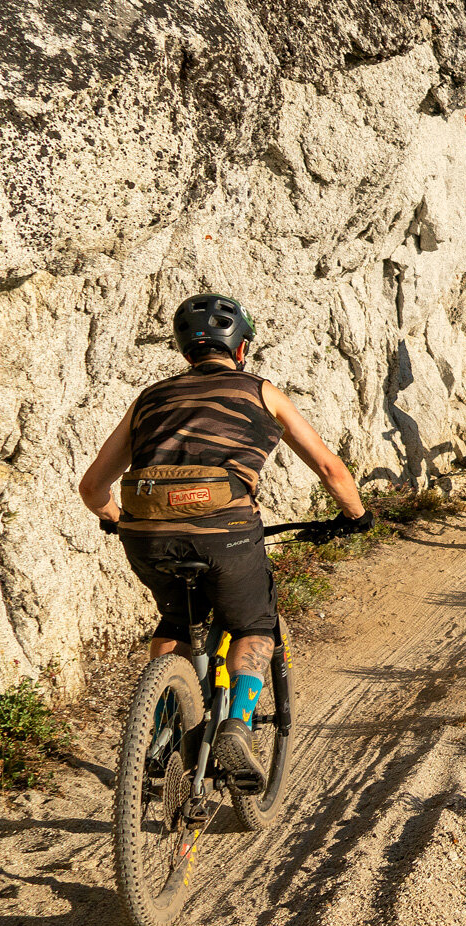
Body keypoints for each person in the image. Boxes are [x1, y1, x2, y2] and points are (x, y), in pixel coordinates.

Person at [77, 294, 371, 790]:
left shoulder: (149, 399)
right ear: (240, 348)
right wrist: (356, 517)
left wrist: (116, 519)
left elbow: (91, 488)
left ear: (185, 349)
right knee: (254, 622)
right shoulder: (262, 392)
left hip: (146, 535)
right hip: (226, 533)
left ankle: (162, 733)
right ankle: (236, 723)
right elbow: (330, 468)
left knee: (175, 619)